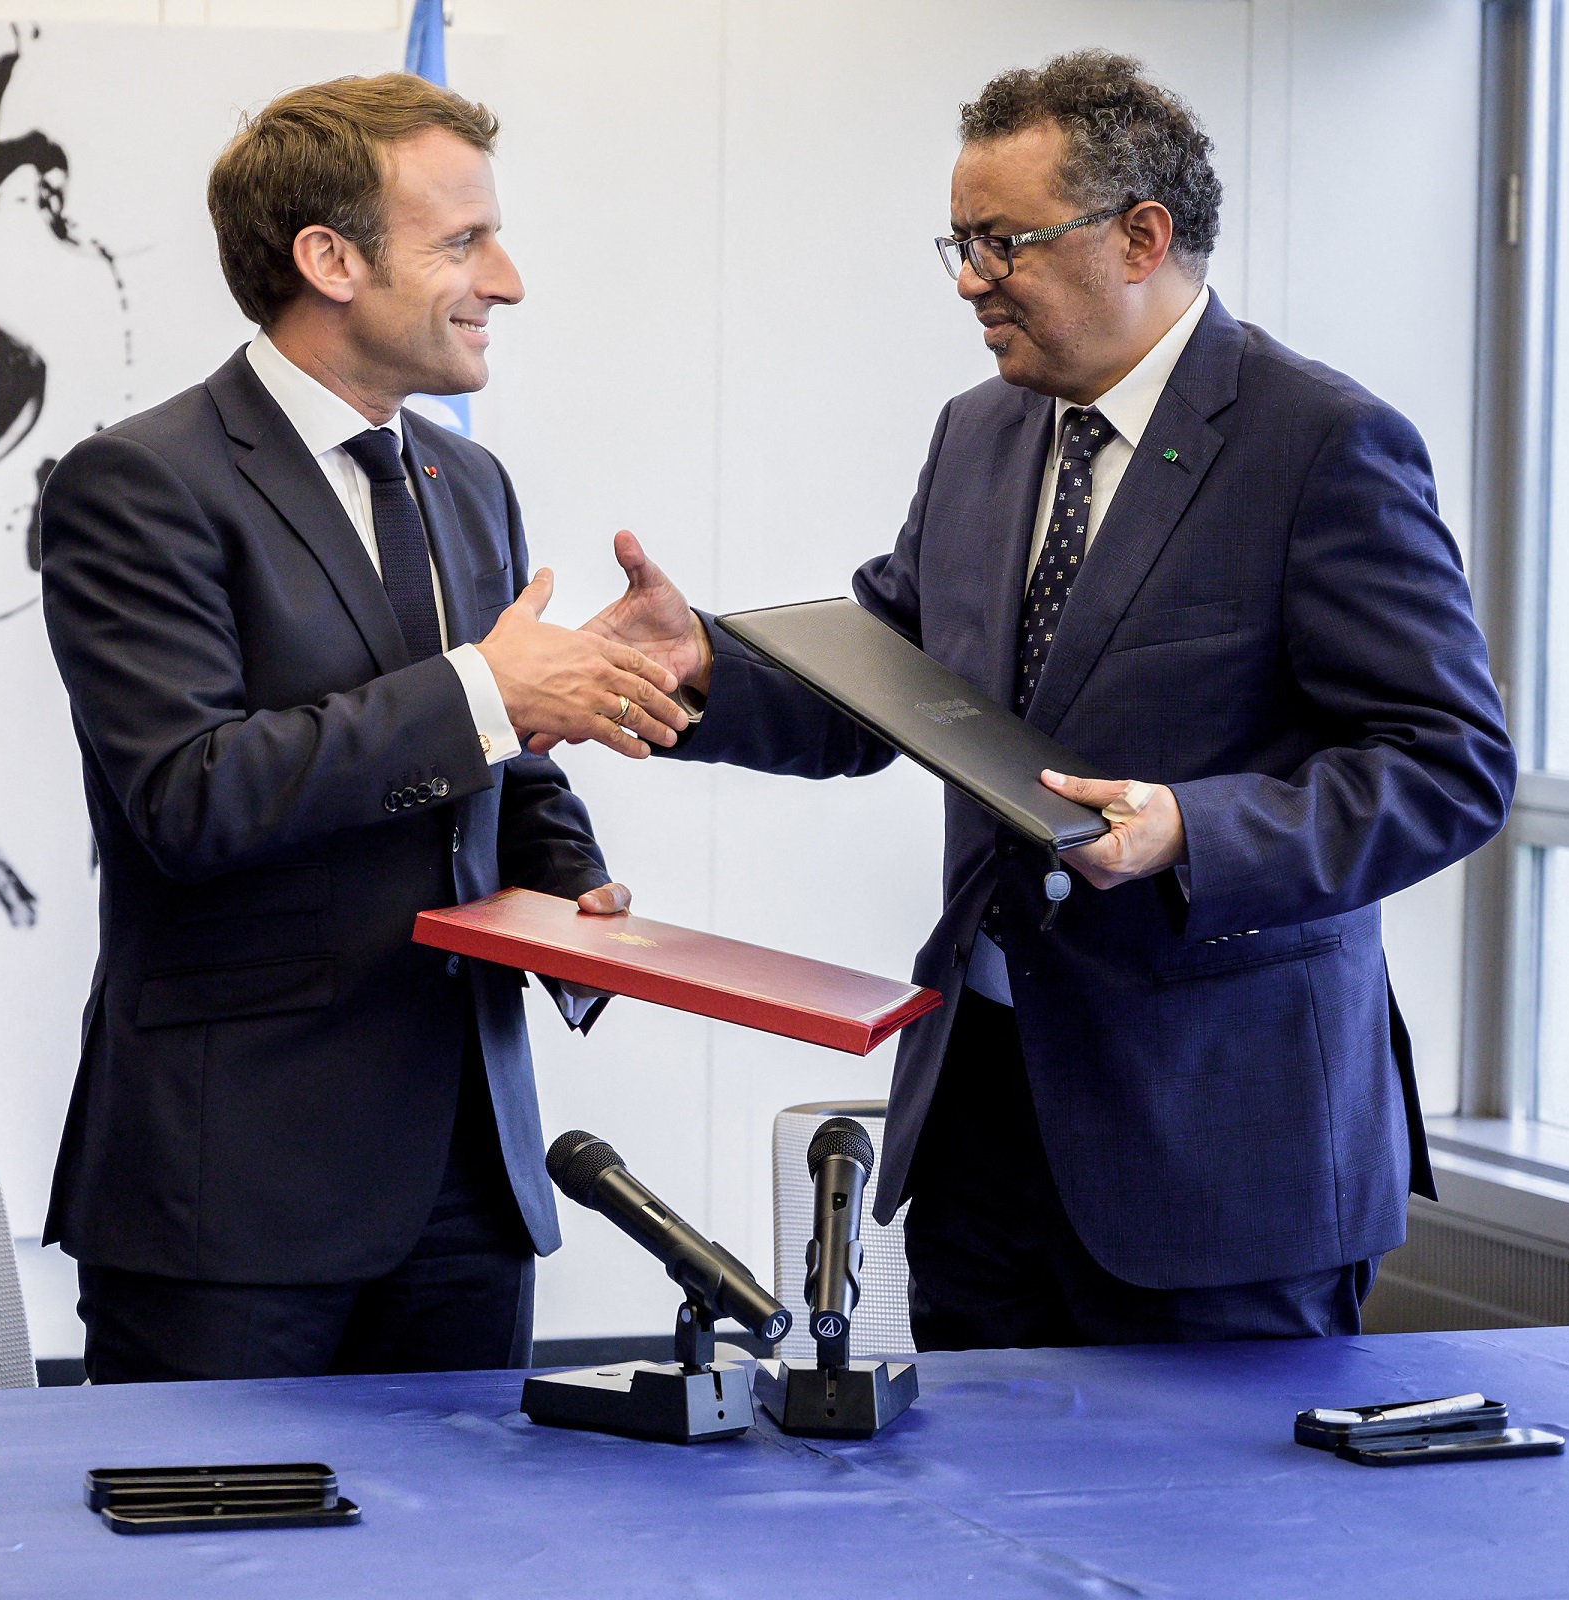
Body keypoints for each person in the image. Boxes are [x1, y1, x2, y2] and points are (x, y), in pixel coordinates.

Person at [568, 51, 1515, 1349]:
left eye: (1002, 242)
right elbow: (891, 680)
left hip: (1221, 1152)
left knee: (1206, 1548)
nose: (969, 279)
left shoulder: (1322, 443)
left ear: (1143, 236)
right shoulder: (982, 431)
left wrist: (1194, 830)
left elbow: (1450, 762)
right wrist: (709, 668)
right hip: (983, 1128)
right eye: (956, 243)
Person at [38, 74, 688, 1382]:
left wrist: (571, 890)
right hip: (237, 1199)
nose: (505, 280)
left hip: (471, 1182)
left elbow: (496, 756)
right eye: (464, 242)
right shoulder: (139, 485)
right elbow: (189, 796)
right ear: (328, 259)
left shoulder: (469, 484)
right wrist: (492, 694)